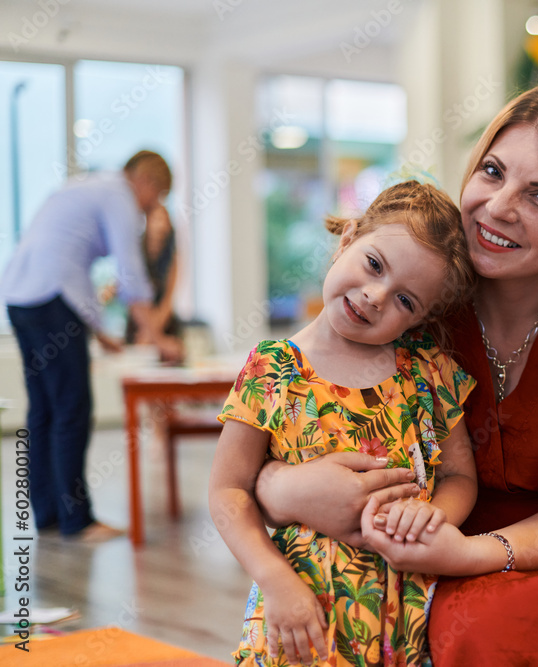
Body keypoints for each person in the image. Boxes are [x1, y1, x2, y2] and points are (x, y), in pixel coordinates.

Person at [255, 83, 538, 665]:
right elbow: (289, 423)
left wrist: (469, 555)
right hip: (437, 534)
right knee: (471, 624)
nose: (499, 207)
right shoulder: (417, 302)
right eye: (493, 172)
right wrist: (286, 487)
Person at [208, 180, 479, 666]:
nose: (376, 296)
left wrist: (435, 515)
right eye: (375, 265)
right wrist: (274, 581)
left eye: (405, 301)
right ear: (348, 238)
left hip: (404, 617)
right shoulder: (272, 369)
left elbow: (460, 476)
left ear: (420, 319)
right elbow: (228, 492)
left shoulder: (426, 369)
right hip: (299, 615)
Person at [1, 150, 176, 541]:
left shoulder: (86, 186)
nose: (153, 207)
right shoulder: (120, 196)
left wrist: (99, 332)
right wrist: (159, 337)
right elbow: (130, 275)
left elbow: (65, 260)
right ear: (146, 181)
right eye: (158, 195)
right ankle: (77, 520)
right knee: (73, 409)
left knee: (44, 410)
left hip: (20, 297)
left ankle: (47, 514)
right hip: (52, 299)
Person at [124, 205, 186, 362]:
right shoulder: (135, 254)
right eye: (156, 219)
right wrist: (145, 330)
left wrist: (152, 334)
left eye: (164, 220)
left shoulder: (173, 257)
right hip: (138, 323)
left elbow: (168, 301)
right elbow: (132, 295)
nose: (160, 225)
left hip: (164, 323)